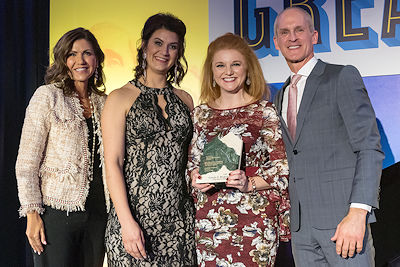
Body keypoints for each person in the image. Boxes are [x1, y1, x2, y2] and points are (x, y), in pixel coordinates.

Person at [272, 7, 384, 266]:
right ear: (276, 42)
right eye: (284, 32)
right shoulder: (281, 95)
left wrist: (358, 212)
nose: (292, 37)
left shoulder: (341, 76)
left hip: (343, 223)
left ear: (314, 35)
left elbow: (369, 147)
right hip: (300, 230)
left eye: (299, 30)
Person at [101, 13, 197, 266]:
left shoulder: (186, 100)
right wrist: (127, 223)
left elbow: (191, 160)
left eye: (172, 46)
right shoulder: (119, 97)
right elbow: (113, 164)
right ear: (143, 46)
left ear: (179, 52)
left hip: (179, 224)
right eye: (158, 42)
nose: (164, 51)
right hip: (135, 223)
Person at [188, 33, 290, 266]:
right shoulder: (200, 114)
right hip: (210, 219)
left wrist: (249, 183)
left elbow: (281, 167)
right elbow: (192, 164)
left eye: (236, 64)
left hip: (255, 220)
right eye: (220, 65)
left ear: (247, 70)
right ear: (212, 72)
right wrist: (195, 177)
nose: (228, 71)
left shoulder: (264, 111)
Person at [15, 27, 109, 266]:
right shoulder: (47, 96)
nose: (80, 60)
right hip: (56, 213)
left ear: (96, 59)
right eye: (72, 54)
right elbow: (27, 162)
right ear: (63, 60)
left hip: (99, 215)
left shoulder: (105, 102)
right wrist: (32, 213)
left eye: (87, 53)